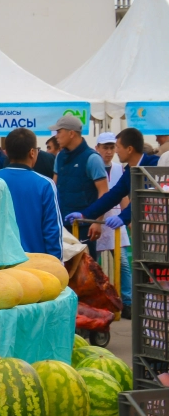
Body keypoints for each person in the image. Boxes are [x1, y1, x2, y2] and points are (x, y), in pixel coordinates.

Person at [0, 129, 62, 257]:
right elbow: (52, 231)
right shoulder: (45, 184)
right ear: (32, 152)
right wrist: (56, 264)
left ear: (7, 152)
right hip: (34, 266)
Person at [51, 115, 108, 251]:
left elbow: (104, 192)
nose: (56, 136)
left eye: (59, 132)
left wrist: (97, 221)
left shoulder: (92, 158)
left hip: (85, 226)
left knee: (86, 269)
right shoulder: (60, 156)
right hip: (62, 225)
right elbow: (54, 186)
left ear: (71, 133)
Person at [92, 131, 131, 316]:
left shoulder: (119, 168)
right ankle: (99, 301)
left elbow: (122, 194)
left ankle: (128, 301)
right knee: (94, 264)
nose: (108, 152)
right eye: (105, 148)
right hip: (98, 220)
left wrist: (127, 218)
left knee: (122, 262)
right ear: (97, 148)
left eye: (111, 147)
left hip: (115, 219)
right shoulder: (93, 165)